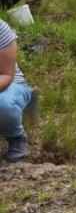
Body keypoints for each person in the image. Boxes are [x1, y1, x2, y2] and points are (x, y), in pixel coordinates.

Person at [0, 17, 34, 162]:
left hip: (8, 84)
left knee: (3, 105)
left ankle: (16, 138)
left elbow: (6, 75)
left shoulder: (0, 28)